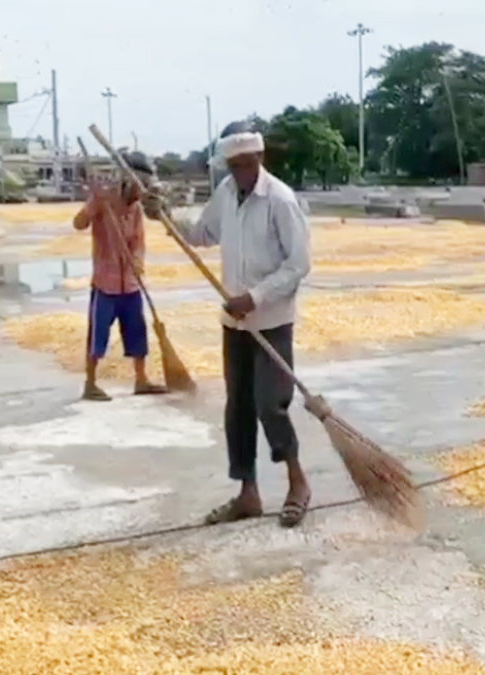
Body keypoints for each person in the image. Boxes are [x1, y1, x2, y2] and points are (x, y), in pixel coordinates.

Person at [171, 121, 313, 528]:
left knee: (271, 404)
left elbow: (298, 264)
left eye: (244, 165)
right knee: (238, 409)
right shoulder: (227, 194)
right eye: (232, 166)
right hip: (233, 325)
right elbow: (202, 234)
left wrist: (255, 297)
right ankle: (247, 492)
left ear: (259, 160)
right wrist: (164, 211)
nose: (238, 173)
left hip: (270, 321)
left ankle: (297, 482)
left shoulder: (281, 201)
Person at [72, 151, 168, 402]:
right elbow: (79, 224)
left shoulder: (135, 209)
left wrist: (137, 263)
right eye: (140, 186)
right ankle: (90, 383)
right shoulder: (105, 199)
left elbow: (138, 242)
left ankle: (141, 379)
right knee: (98, 334)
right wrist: (95, 203)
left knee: (138, 331)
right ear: (129, 181)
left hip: (131, 284)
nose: (142, 193)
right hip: (106, 283)